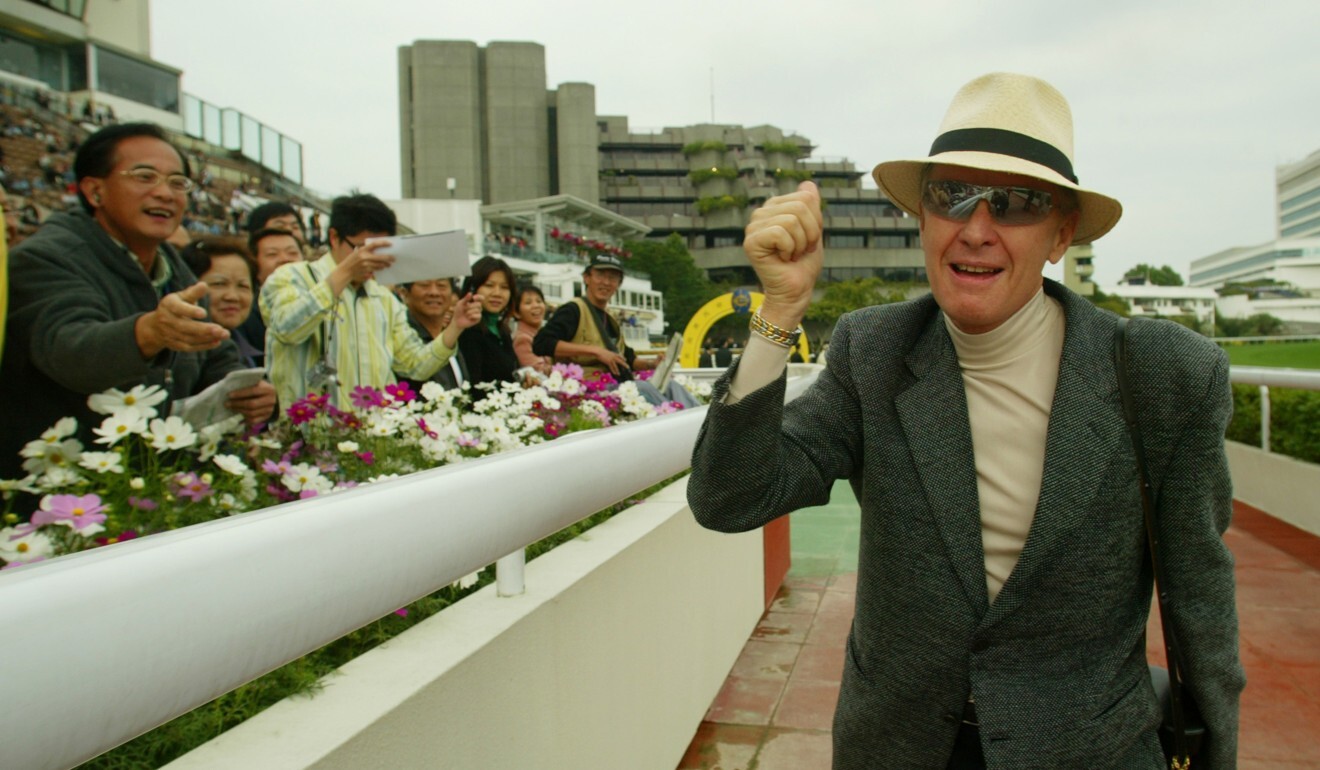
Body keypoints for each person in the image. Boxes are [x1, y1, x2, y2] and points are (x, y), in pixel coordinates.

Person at [687, 73, 1242, 769]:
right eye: (952, 196)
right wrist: (776, 317)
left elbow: (1200, 599)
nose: (976, 230)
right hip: (898, 745)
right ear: (924, 216)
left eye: (1015, 204)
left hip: (1087, 750)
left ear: (1061, 233)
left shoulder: (1162, 374)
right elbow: (730, 497)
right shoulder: (876, 351)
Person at [0, 122, 275, 480]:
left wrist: (244, 389)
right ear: (94, 191)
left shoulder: (174, 270)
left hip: (154, 483)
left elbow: (214, 353)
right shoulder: (46, 258)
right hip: (67, 492)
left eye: (178, 183)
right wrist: (149, 332)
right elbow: (70, 350)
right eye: (145, 177)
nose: (166, 193)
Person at [259, 193, 479, 409]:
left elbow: (415, 366)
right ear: (334, 238)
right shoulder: (292, 277)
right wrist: (344, 273)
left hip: (373, 436)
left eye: (382, 250)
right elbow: (287, 329)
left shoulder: (384, 298)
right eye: (362, 249)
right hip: (309, 436)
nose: (372, 260)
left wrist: (455, 327)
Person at [533, 253, 698, 407]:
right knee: (643, 389)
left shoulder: (610, 318)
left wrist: (652, 364)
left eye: (612, 278)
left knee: (671, 385)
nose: (606, 282)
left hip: (618, 385)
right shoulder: (573, 310)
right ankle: (685, 424)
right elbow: (542, 344)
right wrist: (596, 352)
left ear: (618, 284)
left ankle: (705, 424)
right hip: (590, 391)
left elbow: (628, 359)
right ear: (587, 278)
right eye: (600, 275)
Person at [180, 236, 261, 367]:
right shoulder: (179, 355)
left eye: (243, 286)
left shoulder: (253, 352)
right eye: (219, 284)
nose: (233, 296)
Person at [457, 256, 521, 386]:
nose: (497, 293)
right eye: (489, 285)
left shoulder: (502, 330)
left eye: (504, 287)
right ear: (472, 289)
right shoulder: (467, 331)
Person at [397, 277, 469, 391]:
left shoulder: (452, 336)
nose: (434, 293)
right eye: (424, 285)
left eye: (442, 286)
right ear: (404, 293)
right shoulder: (400, 338)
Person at [511, 283, 553, 375]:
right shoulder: (522, 339)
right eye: (528, 303)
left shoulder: (544, 333)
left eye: (539, 301)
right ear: (517, 313)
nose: (536, 306)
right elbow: (538, 371)